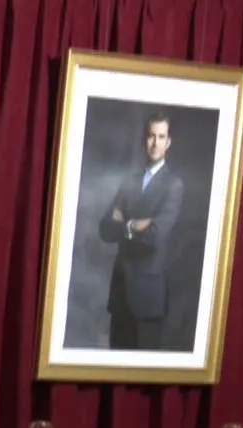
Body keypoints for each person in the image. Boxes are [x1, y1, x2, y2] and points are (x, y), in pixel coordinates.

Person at [98, 110, 186, 351]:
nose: (155, 143)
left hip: (148, 299)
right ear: (144, 140)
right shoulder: (129, 181)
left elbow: (156, 234)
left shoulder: (174, 185)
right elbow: (105, 229)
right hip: (120, 295)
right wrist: (137, 224)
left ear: (168, 143)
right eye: (150, 136)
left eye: (161, 137)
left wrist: (124, 222)